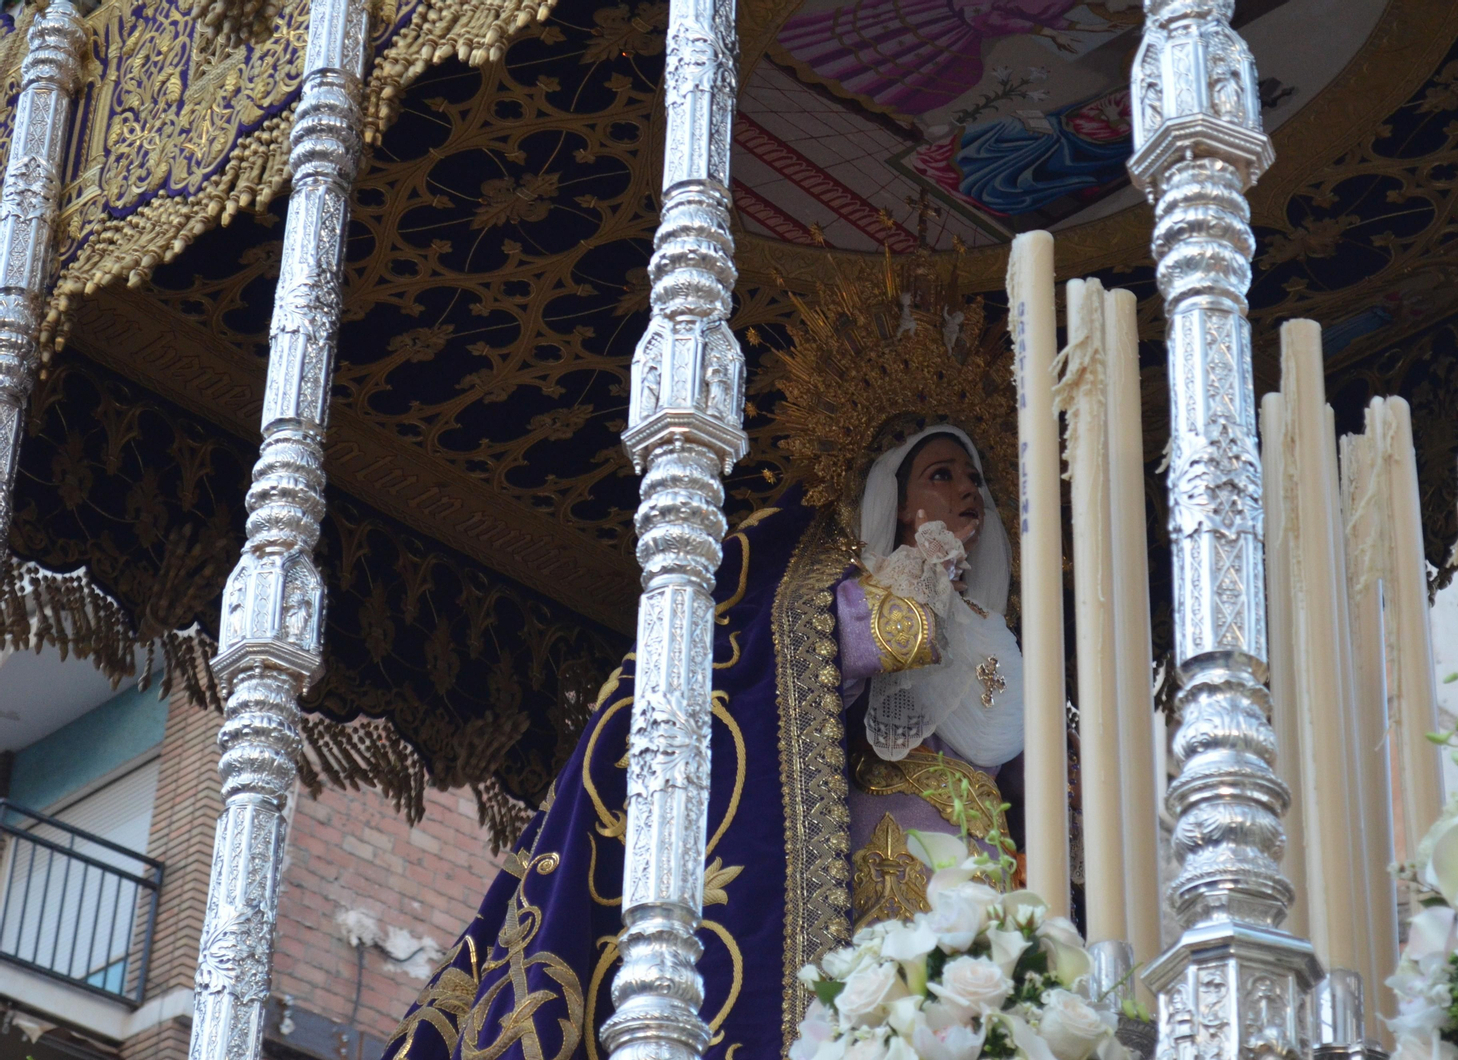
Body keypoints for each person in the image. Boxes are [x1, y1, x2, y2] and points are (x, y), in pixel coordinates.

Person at [384, 271, 1026, 1060]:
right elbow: (797, 660)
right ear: (892, 493)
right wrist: (911, 590)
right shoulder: (824, 578)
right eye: (942, 474)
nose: (966, 492)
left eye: (974, 479)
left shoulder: (995, 628)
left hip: (980, 877)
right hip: (878, 864)